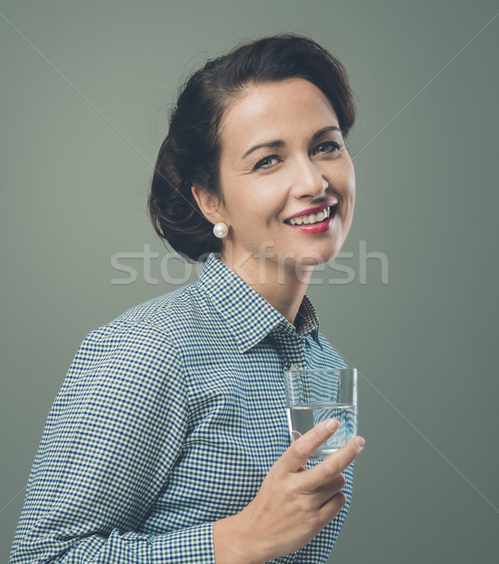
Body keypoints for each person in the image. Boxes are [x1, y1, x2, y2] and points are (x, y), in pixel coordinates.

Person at [9, 33, 365, 564]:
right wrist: (242, 539)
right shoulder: (149, 351)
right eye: (269, 160)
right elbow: (39, 556)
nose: (314, 181)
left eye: (325, 146)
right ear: (210, 200)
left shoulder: (324, 365)